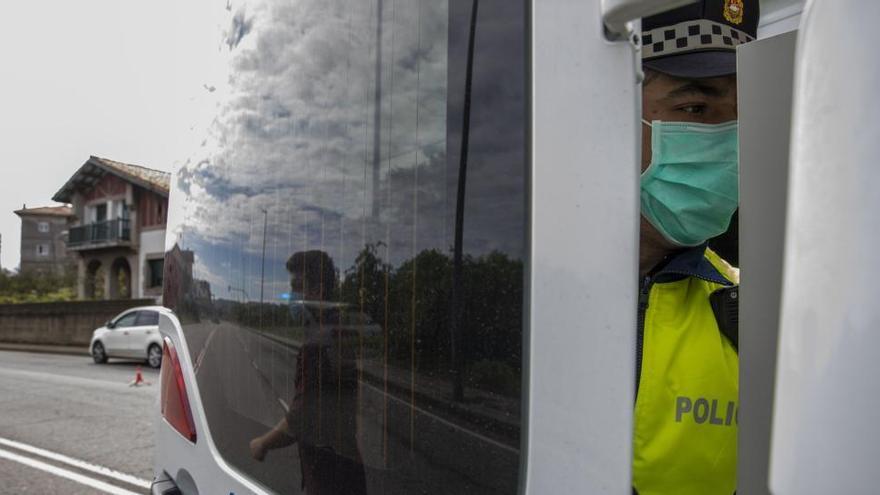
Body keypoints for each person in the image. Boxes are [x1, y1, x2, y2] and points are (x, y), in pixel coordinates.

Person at [632, 1, 758, 494]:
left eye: (740, 118)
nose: (728, 144)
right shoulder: (520, 290)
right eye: (695, 109)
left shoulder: (749, 312)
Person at [249, 250, 367, 495]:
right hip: (343, 472)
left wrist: (262, 444)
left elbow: (302, 419)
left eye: (297, 287)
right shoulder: (334, 329)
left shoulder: (320, 342)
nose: (292, 296)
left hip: (330, 480)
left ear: (317, 291)